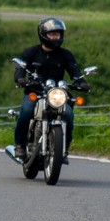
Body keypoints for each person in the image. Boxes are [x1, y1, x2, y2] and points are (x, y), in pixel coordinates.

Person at [12, 16, 88, 161]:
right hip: (36, 91)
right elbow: (20, 69)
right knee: (27, 110)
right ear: (43, 35)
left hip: (57, 94)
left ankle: (63, 149)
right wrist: (20, 78)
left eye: (58, 34)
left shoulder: (65, 55)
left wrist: (81, 82)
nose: (55, 37)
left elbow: (74, 71)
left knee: (69, 115)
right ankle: (20, 145)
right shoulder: (31, 52)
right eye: (52, 34)